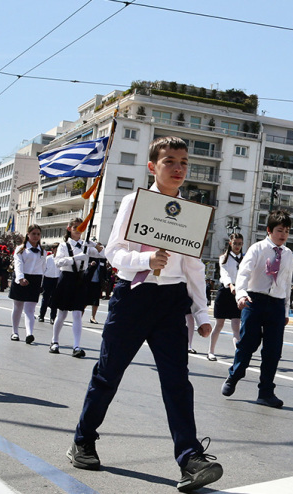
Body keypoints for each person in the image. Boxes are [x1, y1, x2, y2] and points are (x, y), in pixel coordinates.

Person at [67, 136, 222, 492]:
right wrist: (144, 260)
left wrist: (201, 313)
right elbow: (114, 251)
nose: (178, 168)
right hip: (132, 296)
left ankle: (190, 458)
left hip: (171, 302)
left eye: (183, 161)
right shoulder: (133, 202)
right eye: (170, 161)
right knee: (109, 373)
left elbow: (193, 267)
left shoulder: (191, 213)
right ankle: (83, 440)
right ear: (152, 166)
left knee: (177, 382)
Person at [221, 209, 293, 409]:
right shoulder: (257, 249)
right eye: (279, 230)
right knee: (247, 344)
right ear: (269, 230)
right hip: (254, 301)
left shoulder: (287, 254)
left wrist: (286, 311)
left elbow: (287, 282)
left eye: (286, 231)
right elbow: (243, 274)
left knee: (273, 351)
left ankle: (266, 392)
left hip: (277, 304)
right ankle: (234, 375)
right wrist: (241, 295)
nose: (283, 235)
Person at [50, 217, 105, 358]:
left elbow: (103, 254)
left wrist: (94, 244)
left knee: (77, 314)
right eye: (75, 227)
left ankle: (76, 346)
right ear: (69, 229)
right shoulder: (63, 246)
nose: (78, 230)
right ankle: (54, 342)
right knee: (62, 314)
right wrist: (74, 258)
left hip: (80, 280)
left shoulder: (86, 245)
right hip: (67, 278)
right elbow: (58, 262)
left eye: (81, 227)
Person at [210, 233, 244, 361]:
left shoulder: (244, 259)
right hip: (225, 292)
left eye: (240, 244)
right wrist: (230, 286)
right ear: (230, 243)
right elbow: (224, 274)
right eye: (235, 243)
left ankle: (238, 355)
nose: (237, 246)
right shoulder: (224, 258)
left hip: (237, 294)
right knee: (219, 324)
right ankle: (211, 351)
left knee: (236, 326)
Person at [9, 224, 45, 344]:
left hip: (35, 280)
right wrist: (20, 278)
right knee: (18, 307)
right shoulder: (21, 249)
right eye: (33, 234)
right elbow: (18, 265)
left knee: (30, 309)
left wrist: (42, 283)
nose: (36, 236)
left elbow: (43, 268)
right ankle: (15, 332)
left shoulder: (43, 251)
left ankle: (29, 333)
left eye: (38, 234)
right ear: (28, 234)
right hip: (22, 278)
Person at [37, 243, 60, 323]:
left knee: (55, 299)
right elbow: (43, 270)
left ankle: (53, 317)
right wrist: (41, 283)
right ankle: (41, 315)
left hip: (57, 279)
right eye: (56, 249)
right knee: (45, 298)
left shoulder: (61, 259)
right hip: (48, 279)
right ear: (53, 249)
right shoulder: (48, 258)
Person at [85, 252, 108, 324]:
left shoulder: (102, 260)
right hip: (88, 282)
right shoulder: (90, 257)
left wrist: (105, 280)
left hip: (97, 282)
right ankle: (79, 316)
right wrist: (90, 265)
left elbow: (104, 271)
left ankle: (93, 317)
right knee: (85, 300)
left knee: (95, 301)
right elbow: (84, 266)